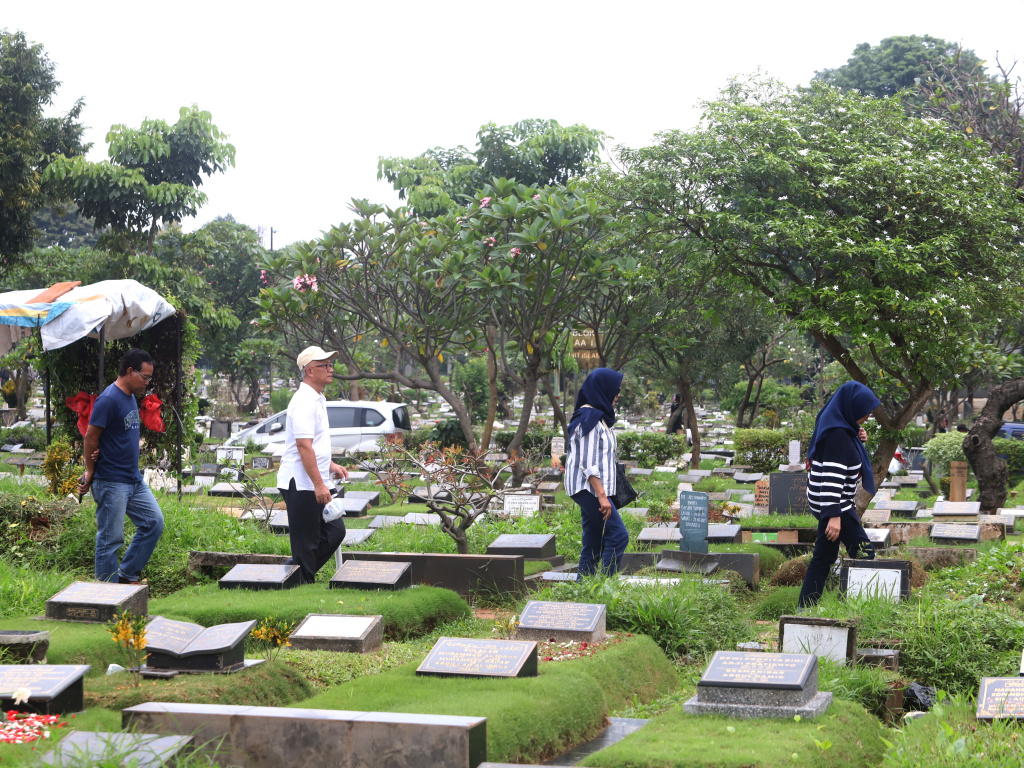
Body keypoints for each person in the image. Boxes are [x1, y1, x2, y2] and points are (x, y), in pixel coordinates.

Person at [78, 348, 165, 584]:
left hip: (133, 479)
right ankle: (106, 593)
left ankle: (126, 575)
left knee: (153, 523)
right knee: (110, 539)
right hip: (111, 480)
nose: (147, 383)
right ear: (129, 371)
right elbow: (91, 436)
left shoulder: (130, 397)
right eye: (145, 377)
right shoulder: (109, 400)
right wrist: (91, 471)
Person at [798, 381, 881, 608]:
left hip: (827, 502)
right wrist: (833, 517)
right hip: (835, 504)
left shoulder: (838, 425)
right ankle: (854, 606)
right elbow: (832, 479)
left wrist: (857, 437)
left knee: (824, 557)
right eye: (865, 412)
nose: (867, 417)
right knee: (864, 554)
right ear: (852, 407)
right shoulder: (839, 436)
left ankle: (805, 608)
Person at [276, 345, 349, 583]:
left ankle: (291, 576)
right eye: (324, 365)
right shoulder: (304, 402)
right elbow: (303, 447)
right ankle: (300, 583)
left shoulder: (316, 398)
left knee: (335, 531)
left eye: (330, 364)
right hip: (301, 482)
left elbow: (314, 445)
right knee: (306, 543)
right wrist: (319, 484)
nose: (331, 369)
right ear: (309, 371)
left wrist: (331, 465)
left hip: (315, 479)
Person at [564, 368, 629, 578]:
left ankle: (584, 587)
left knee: (593, 540)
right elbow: (587, 461)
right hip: (588, 488)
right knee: (618, 535)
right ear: (603, 389)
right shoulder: (589, 417)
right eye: (615, 389)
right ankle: (607, 587)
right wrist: (602, 496)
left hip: (592, 488)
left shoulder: (599, 417)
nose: (617, 394)